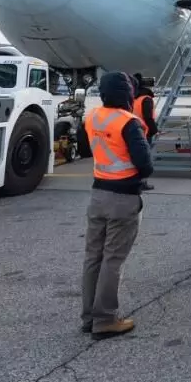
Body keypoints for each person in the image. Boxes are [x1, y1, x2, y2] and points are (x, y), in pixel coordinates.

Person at [80, 71, 153, 339]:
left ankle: (89, 316)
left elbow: (86, 149)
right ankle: (106, 319)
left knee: (93, 258)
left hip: (97, 194)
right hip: (123, 198)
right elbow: (146, 166)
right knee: (113, 259)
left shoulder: (93, 117)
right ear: (128, 93)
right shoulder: (128, 122)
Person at [130, 72, 158, 190]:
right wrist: (154, 130)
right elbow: (148, 117)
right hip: (144, 132)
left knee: (135, 158)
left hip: (133, 130)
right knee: (144, 158)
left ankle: (134, 181)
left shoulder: (132, 98)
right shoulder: (146, 99)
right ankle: (142, 182)